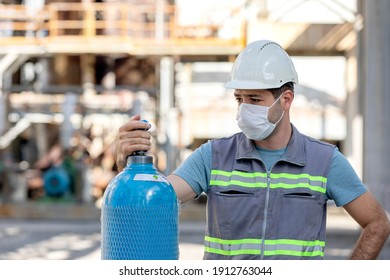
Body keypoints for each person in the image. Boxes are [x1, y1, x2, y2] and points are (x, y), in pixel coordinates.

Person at [114, 39, 390, 260]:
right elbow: (151, 204)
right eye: (239, 99)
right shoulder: (213, 156)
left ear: (286, 99)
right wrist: (125, 166)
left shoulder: (324, 161)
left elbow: (378, 223)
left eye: (254, 99)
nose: (244, 108)